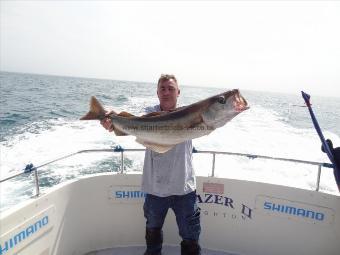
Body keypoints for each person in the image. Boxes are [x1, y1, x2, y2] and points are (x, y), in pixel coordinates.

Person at [101, 74, 201, 255]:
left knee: (191, 239)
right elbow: (131, 122)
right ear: (157, 93)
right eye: (162, 88)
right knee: (152, 234)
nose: (166, 92)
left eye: (171, 88)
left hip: (184, 188)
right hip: (155, 189)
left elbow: (213, 117)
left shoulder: (190, 115)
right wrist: (112, 122)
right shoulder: (149, 113)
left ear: (178, 92)